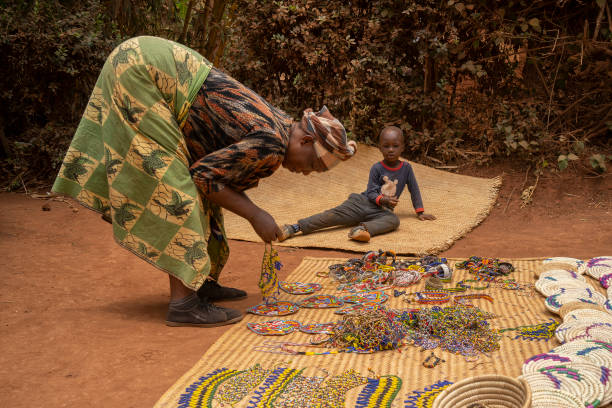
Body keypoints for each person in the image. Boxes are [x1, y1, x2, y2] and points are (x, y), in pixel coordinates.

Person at [51, 36, 356, 327]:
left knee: (206, 191)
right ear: (304, 139)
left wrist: (252, 211)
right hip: (141, 72)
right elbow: (203, 176)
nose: (307, 173)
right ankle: (183, 305)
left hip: (143, 61)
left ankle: (201, 283)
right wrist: (255, 215)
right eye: (313, 165)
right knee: (177, 189)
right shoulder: (272, 144)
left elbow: (216, 177)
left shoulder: (277, 125)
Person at [278, 126, 435, 243]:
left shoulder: (406, 168)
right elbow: (372, 193)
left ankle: (361, 230)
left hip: (380, 212)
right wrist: (385, 200)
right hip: (361, 203)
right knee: (330, 217)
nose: (391, 150)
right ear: (380, 147)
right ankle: (293, 228)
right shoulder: (377, 168)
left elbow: (414, 189)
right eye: (386, 146)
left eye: (395, 146)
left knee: (394, 220)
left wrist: (420, 212)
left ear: (402, 147)